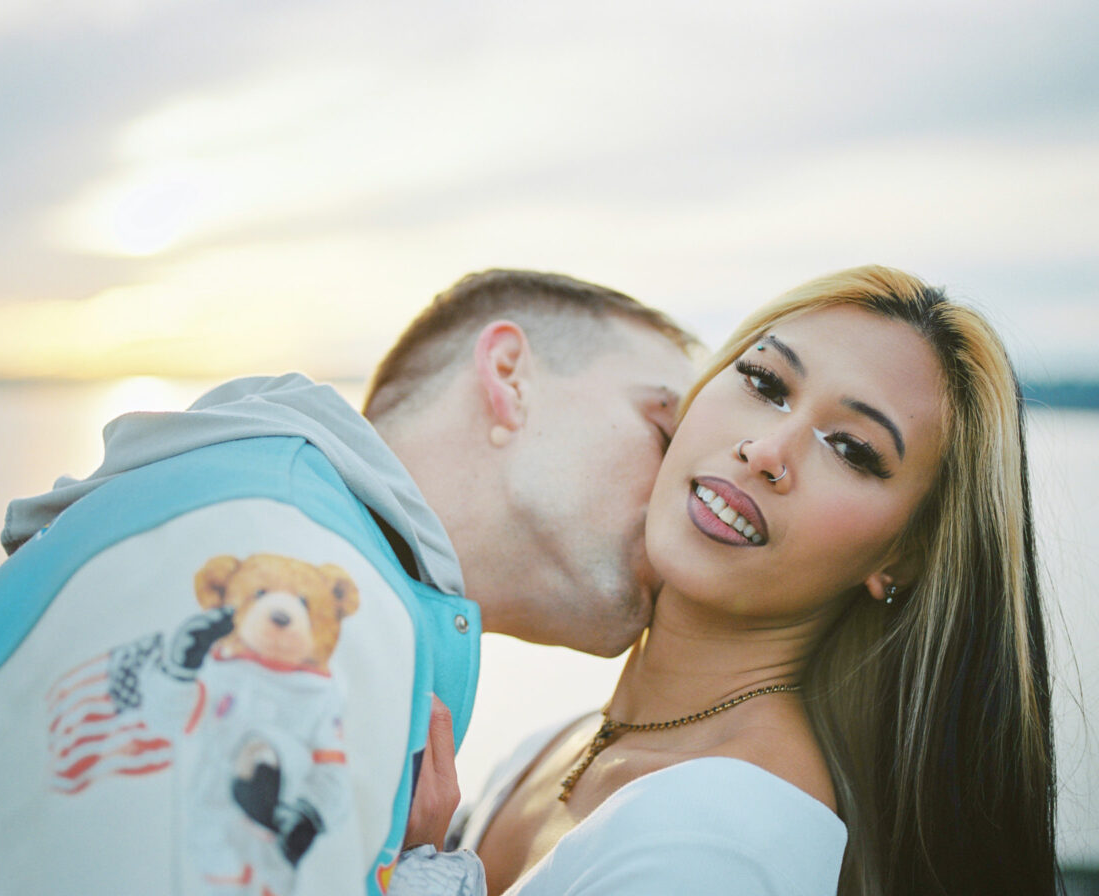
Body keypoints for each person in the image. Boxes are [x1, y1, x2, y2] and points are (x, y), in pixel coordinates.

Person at [0, 269, 698, 896]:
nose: (688, 492)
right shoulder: (278, 550)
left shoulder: (296, 548)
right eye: (666, 430)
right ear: (510, 375)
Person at [449, 265, 1058, 896]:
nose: (768, 450)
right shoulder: (557, 745)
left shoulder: (724, 841)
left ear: (903, 556)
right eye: (765, 382)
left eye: (851, 448)